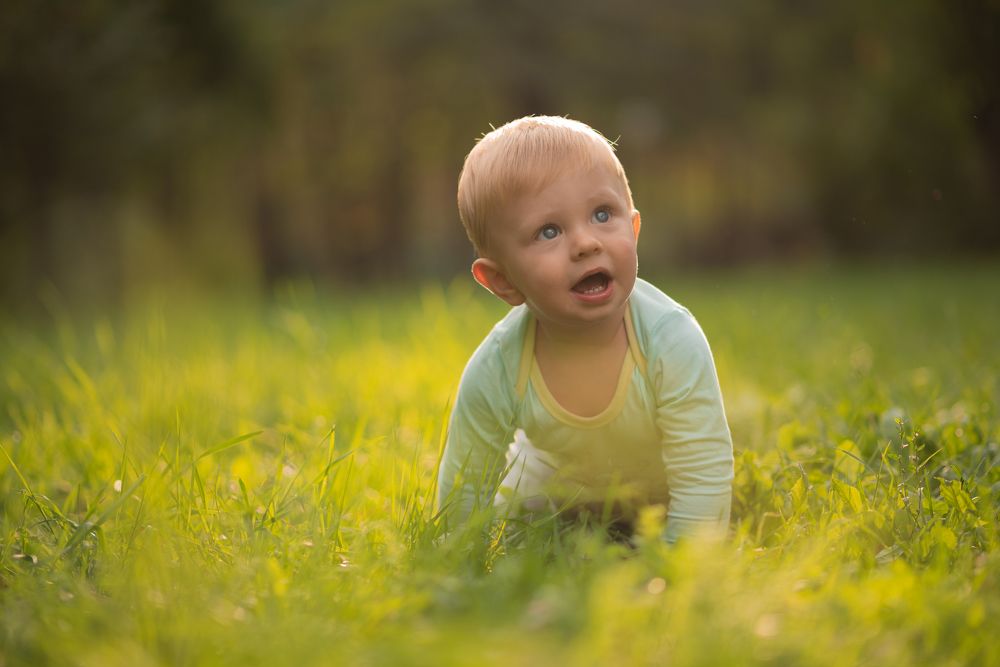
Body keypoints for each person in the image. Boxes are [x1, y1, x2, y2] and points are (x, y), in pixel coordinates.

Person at [437, 116, 733, 543]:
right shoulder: (500, 365)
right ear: (503, 281)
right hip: (554, 494)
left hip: (661, 491)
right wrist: (460, 567)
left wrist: (680, 569)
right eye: (549, 231)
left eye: (601, 214)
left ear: (632, 230)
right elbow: (465, 488)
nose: (585, 243)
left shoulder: (670, 340)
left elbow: (703, 469)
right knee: (522, 514)